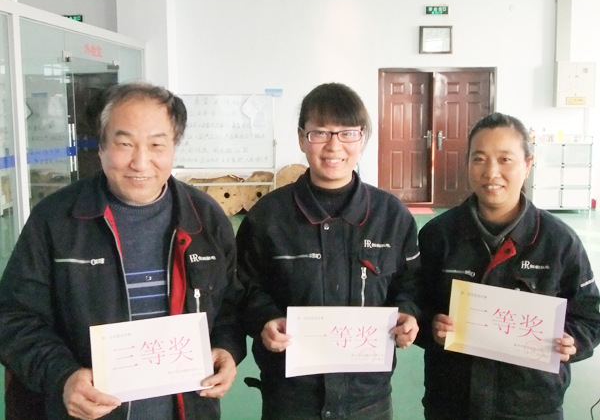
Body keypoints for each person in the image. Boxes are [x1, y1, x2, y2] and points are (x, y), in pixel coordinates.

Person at [0, 82, 245, 420]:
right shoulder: (56, 220)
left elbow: (230, 306)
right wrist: (63, 376)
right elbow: (14, 317)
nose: (140, 163)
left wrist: (226, 350)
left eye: (157, 144)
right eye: (125, 143)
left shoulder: (205, 218)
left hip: (188, 410)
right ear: (101, 147)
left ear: (174, 147)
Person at [236, 82, 421, 420]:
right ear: (301, 138)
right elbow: (245, 287)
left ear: (362, 138)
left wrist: (408, 313)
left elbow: (411, 283)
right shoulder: (268, 217)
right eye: (320, 133)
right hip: (290, 396)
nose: (334, 146)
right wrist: (265, 319)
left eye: (347, 133)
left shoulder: (391, 215)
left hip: (368, 397)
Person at [416, 112, 600, 420]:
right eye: (479, 159)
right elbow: (414, 304)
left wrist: (574, 341)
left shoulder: (558, 241)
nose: (491, 172)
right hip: (452, 402)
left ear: (527, 165)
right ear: (467, 164)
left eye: (505, 159)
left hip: (530, 405)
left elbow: (590, 314)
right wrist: (431, 327)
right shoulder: (439, 235)